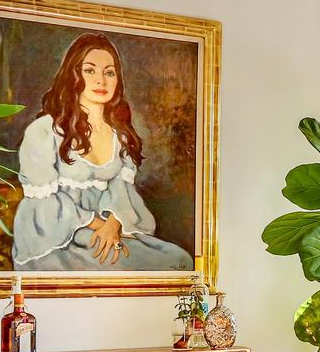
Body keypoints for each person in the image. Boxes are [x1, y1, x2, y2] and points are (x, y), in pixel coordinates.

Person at [11, 32, 193, 272]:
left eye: (109, 72)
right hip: (57, 236)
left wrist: (114, 223)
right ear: (73, 75)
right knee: (133, 265)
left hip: (107, 230)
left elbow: (122, 193)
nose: (101, 81)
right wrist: (99, 225)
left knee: (179, 260)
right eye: (90, 70)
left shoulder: (121, 135)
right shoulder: (44, 131)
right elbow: (45, 206)